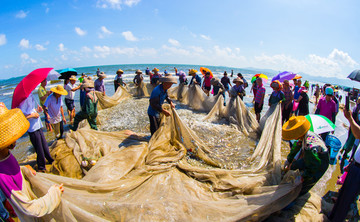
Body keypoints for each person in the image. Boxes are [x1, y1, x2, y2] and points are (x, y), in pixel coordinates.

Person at [0, 103, 64, 220]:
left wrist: (23, 169)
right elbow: (28, 208)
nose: (16, 138)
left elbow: (12, 170)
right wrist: (54, 194)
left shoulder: (6, 156)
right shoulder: (2, 176)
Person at [282, 116, 329, 196]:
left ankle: (300, 193)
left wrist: (303, 177)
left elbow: (313, 166)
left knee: (306, 183)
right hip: (312, 157)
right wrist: (289, 159)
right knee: (294, 165)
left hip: (321, 161)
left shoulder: (309, 146)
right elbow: (296, 147)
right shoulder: (304, 134)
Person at [329, 107, 360, 221]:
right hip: (355, 166)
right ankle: (335, 217)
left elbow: (358, 134)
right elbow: (357, 135)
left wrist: (351, 119)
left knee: (348, 200)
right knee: (343, 197)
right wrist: (352, 163)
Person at [18, 94, 54, 173]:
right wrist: (33, 115)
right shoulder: (22, 101)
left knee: (44, 145)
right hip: (32, 128)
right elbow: (22, 116)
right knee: (39, 148)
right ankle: (41, 167)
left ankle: (50, 159)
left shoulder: (30, 95)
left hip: (38, 125)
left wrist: (37, 110)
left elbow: (31, 110)